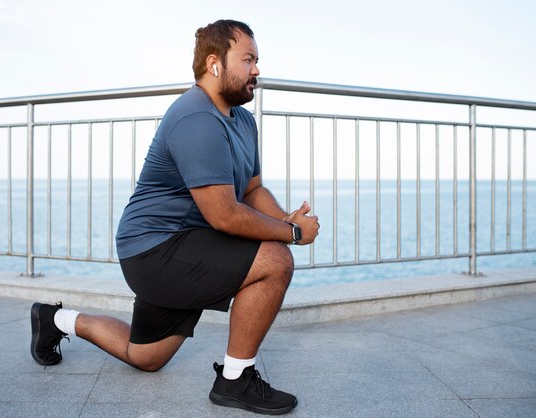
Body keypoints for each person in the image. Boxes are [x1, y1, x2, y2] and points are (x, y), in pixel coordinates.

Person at [30, 19, 319, 415]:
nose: (256, 70)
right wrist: (291, 233)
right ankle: (235, 380)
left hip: (184, 245)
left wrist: (285, 218)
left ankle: (55, 319)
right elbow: (225, 217)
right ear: (214, 64)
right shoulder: (196, 119)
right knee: (275, 260)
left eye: (257, 60)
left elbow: (251, 191)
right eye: (248, 59)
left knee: (145, 357)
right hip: (156, 250)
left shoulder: (243, 120)